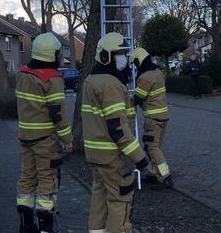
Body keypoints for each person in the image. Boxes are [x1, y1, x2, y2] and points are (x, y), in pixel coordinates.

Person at [82, 32, 148, 233]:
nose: (124, 58)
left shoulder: (91, 80)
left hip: (96, 155)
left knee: (99, 199)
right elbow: (118, 129)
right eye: (119, 53)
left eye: (125, 53)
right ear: (106, 56)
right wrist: (140, 159)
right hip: (113, 157)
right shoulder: (110, 84)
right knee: (121, 200)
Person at [15, 32, 73, 233]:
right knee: (47, 181)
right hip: (46, 141)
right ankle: (46, 227)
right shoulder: (52, 78)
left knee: (27, 177)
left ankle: (25, 225)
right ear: (52, 54)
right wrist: (67, 140)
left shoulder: (23, 74)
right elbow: (58, 114)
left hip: (25, 136)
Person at [131, 47, 173, 189]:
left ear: (140, 61)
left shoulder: (146, 77)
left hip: (153, 119)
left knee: (152, 148)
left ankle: (165, 177)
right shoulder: (158, 72)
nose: (135, 66)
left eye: (136, 63)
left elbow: (137, 98)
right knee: (155, 148)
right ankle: (154, 173)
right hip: (163, 116)